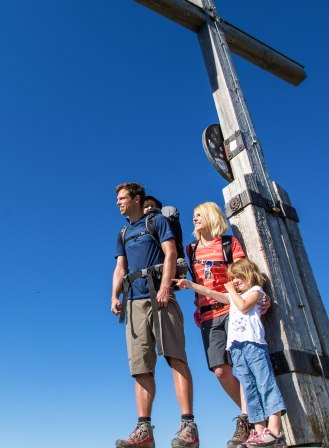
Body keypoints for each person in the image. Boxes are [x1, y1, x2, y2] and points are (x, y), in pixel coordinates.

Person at [112, 182, 199, 448]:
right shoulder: (124, 232)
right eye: (117, 199)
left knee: (175, 356)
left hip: (160, 296)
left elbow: (171, 252)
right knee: (140, 368)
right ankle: (144, 430)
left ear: (137, 198)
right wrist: (114, 295)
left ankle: (188, 425)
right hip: (134, 302)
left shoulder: (158, 222)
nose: (118, 203)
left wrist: (164, 287)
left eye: (123, 198)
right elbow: (120, 266)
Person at [175, 258, 286, 447]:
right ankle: (259, 431)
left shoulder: (256, 292)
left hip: (253, 345)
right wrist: (190, 285)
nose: (234, 281)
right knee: (249, 390)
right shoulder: (234, 296)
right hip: (236, 348)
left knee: (264, 384)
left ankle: (275, 430)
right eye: (232, 277)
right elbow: (211, 293)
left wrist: (232, 290)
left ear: (250, 275)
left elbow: (243, 306)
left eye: (239, 276)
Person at [186, 202, 270, 448]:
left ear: (212, 216)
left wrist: (262, 295)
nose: (194, 219)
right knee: (221, 370)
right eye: (193, 216)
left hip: (233, 311)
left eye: (199, 215)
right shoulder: (190, 250)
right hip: (208, 316)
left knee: (242, 367)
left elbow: (246, 273)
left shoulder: (228, 243)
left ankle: (247, 419)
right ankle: (256, 414)